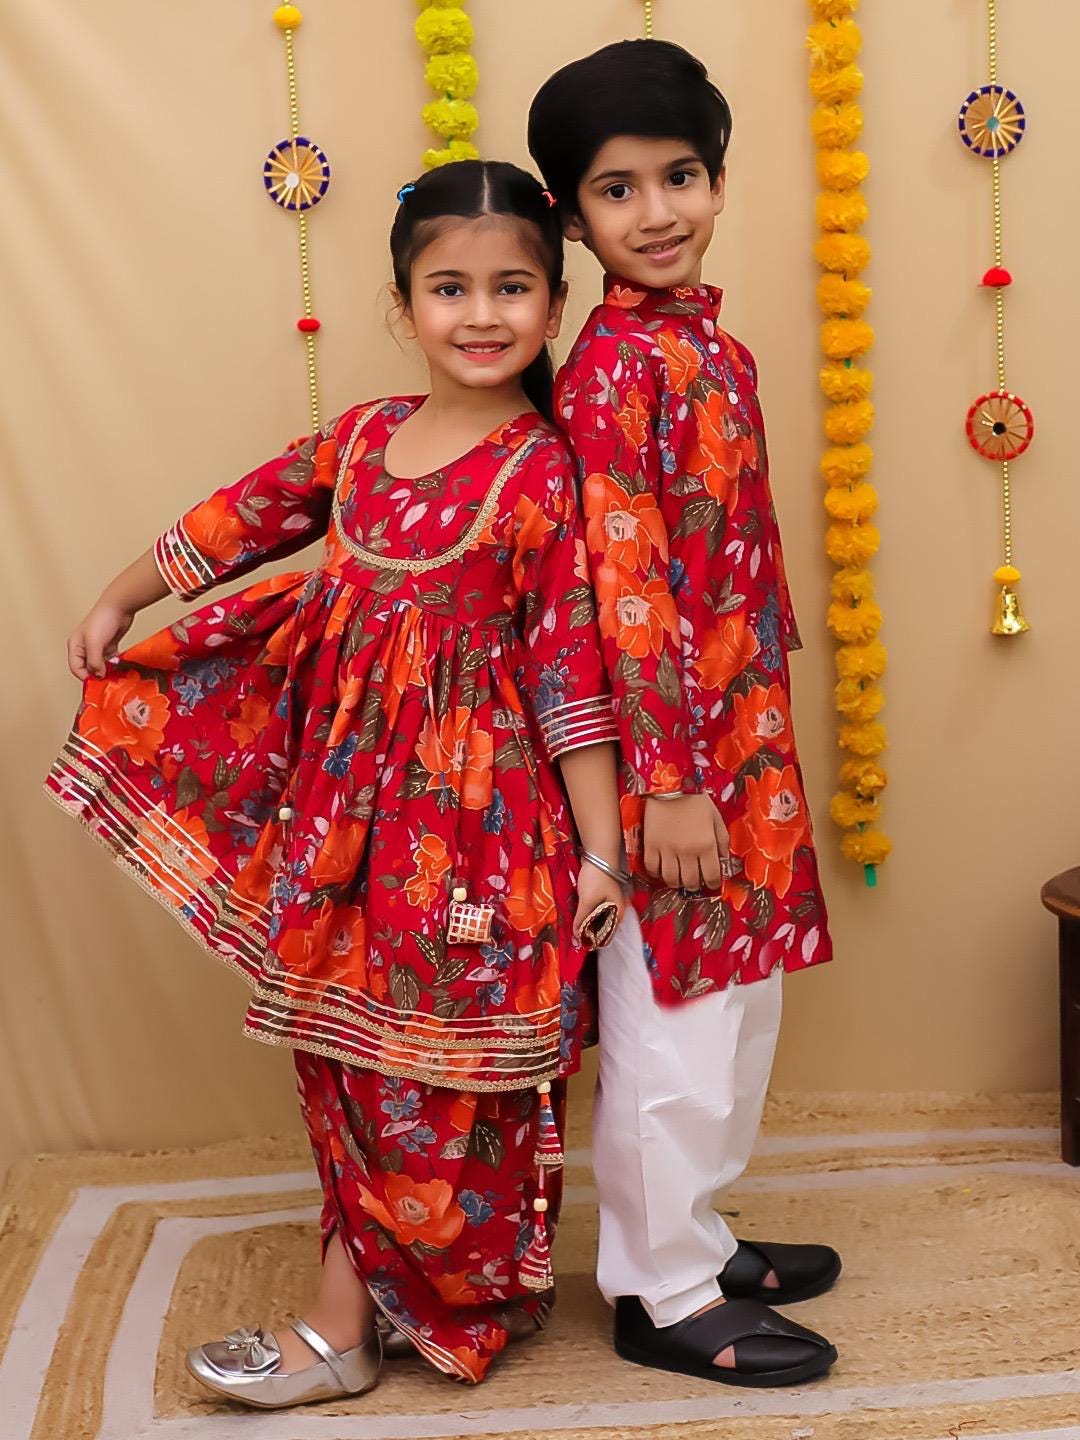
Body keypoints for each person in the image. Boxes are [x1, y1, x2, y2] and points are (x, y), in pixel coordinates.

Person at [46, 159, 627, 1407]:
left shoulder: (543, 475)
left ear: (556, 299)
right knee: (339, 1055)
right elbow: (240, 518)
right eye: (450, 287)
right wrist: (121, 594)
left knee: (434, 1074)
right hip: (336, 820)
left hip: (477, 833)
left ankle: (381, 1311)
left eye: (513, 287)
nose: (482, 314)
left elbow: (573, 674)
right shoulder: (363, 439)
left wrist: (601, 853)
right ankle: (350, 1321)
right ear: (401, 302)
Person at [528, 41, 839, 1387]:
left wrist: (754, 720)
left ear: (718, 179)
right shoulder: (612, 371)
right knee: (673, 1025)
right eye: (615, 189)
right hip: (681, 755)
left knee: (741, 1007)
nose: (656, 212)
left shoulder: (707, 340)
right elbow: (631, 594)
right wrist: (668, 782)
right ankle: (659, 1289)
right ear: (572, 214)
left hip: (742, 729)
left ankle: (700, 1237)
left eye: (681, 176)